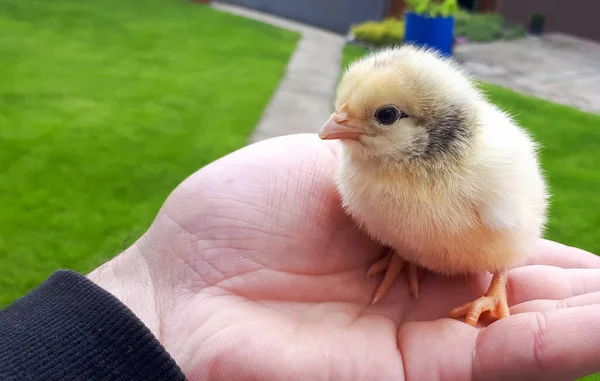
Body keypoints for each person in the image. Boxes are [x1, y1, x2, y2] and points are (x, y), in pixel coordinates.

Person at [2, 134, 600, 381]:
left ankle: (494, 285)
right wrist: (154, 296)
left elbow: (517, 225)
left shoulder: (478, 171)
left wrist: (498, 280)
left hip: (491, 252)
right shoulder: (362, 173)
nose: (338, 124)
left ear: (433, 131)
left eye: (381, 118)